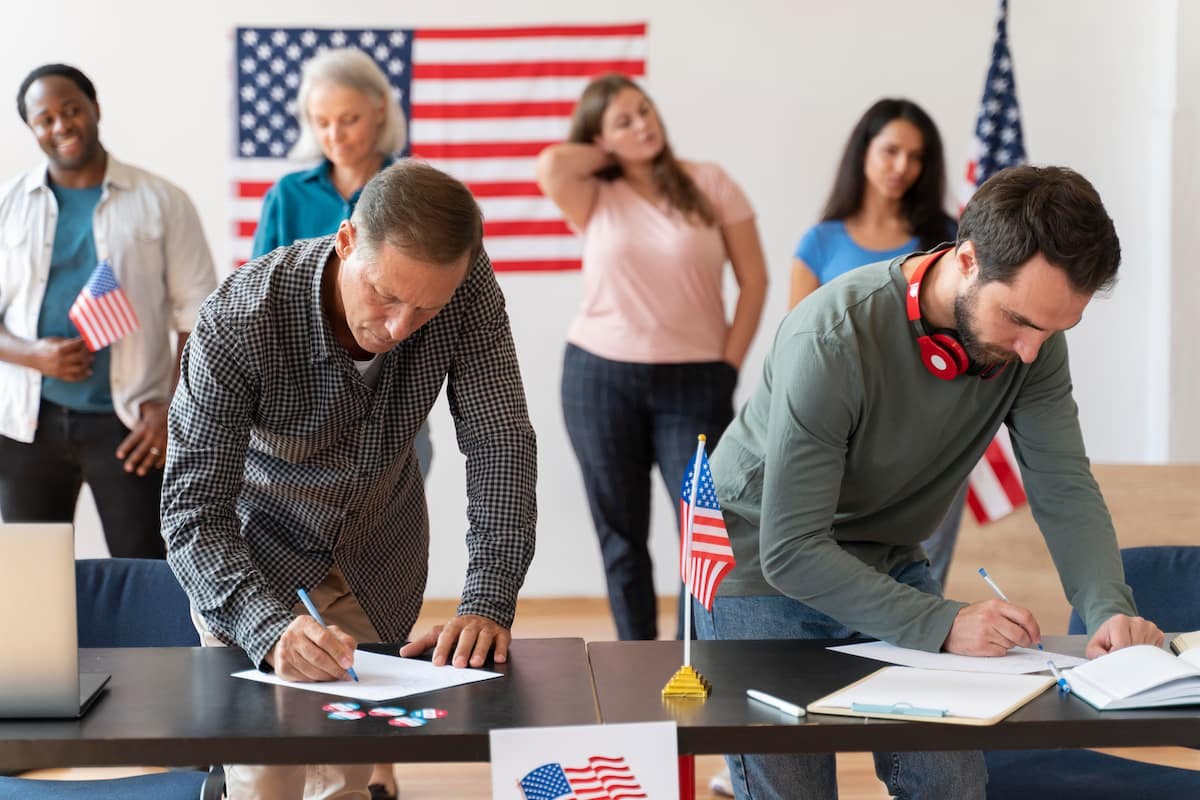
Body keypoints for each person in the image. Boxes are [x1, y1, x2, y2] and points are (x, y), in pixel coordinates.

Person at [699, 165, 1163, 799]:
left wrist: (1109, 606)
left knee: (952, 778)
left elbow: (1063, 483)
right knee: (793, 787)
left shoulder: (1034, 342)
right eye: (1020, 322)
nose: (1031, 352)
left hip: (885, 557)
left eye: (1054, 330)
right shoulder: (830, 337)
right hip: (761, 561)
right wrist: (943, 623)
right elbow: (791, 550)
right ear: (967, 260)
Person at [162, 160, 537, 800]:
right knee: (264, 778)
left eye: (425, 309)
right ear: (345, 243)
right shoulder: (240, 319)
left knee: (343, 777)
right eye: (385, 295)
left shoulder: (467, 284)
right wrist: (265, 627)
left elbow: (498, 438)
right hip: (253, 561)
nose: (398, 328)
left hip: (375, 557)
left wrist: (487, 598)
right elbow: (193, 510)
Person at [536, 73, 768, 642]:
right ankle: (635, 658)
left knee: (706, 533)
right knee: (621, 534)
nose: (644, 124)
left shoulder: (710, 183)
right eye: (624, 120)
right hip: (599, 378)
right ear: (600, 139)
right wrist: (605, 148)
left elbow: (755, 280)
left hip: (696, 384)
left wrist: (728, 366)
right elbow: (550, 164)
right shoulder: (594, 193)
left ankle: (701, 655)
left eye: (645, 110)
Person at [0, 64, 215, 558]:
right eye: (45, 118)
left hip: (131, 425)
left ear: (94, 109)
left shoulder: (163, 201)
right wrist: (34, 355)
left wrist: (170, 408)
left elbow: (198, 319)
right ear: (32, 128)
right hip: (26, 424)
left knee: (144, 573)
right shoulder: (9, 204)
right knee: (35, 578)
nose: (61, 127)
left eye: (71, 110)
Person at [788, 98, 965, 592]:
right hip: (844, 432)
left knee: (923, 567)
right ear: (863, 151)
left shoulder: (949, 241)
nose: (902, 167)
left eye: (916, 157)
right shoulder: (820, 242)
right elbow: (797, 347)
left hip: (935, 427)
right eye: (891, 151)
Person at [254, 47, 431, 481]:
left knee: (384, 519)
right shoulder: (287, 195)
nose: (335, 135)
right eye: (322, 122)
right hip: (301, 391)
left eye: (348, 119)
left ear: (380, 109)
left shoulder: (415, 191)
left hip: (392, 389)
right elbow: (259, 294)